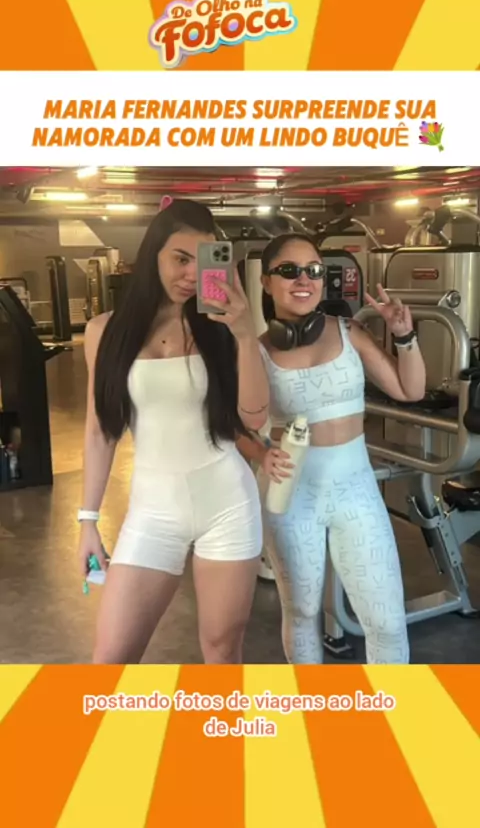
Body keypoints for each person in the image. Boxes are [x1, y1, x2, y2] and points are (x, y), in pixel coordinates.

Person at [78, 198, 270, 664]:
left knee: (222, 650)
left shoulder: (223, 329)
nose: (190, 274)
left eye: (202, 261)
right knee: (110, 658)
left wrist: (246, 334)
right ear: (154, 256)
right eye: (180, 258)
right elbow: (101, 431)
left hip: (226, 504)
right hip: (153, 511)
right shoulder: (105, 331)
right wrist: (87, 520)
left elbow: (253, 417)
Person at [237, 233, 426, 664]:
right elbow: (234, 424)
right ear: (266, 281)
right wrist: (260, 453)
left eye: (314, 270)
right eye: (289, 271)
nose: (304, 279)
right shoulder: (256, 351)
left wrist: (404, 336)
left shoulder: (349, 332)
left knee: (387, 621)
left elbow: (410, 389)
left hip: (355, 490)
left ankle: (392, 706)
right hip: (289, 493)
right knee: (302, 611)